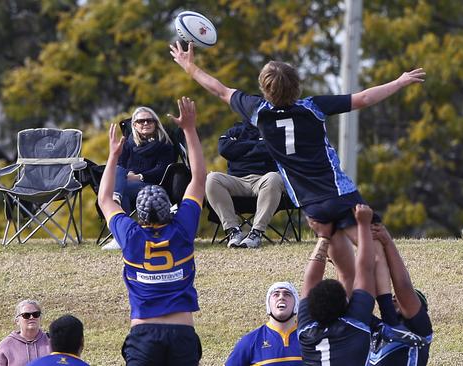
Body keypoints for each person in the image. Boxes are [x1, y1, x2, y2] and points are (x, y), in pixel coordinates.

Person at [170, 41, 424, 293]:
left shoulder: (258, 111)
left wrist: (189, 67)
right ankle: (392, 313)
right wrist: (399, 82)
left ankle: (350, 316)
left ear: (264, 90)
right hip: (339, 193)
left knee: (345, 269)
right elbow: (365, 98)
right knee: (376, 253)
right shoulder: (313, 107)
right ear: (297, 86)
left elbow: (219, 90)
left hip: (310, 205)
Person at [97, 96, 206, 365]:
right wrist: (190, 130)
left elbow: (105, 200)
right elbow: (199, 177)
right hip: (182, 331)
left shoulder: (131, 236)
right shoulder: (182, 229)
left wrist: (113, 157)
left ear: (140, 215)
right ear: (170, 209)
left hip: (143, 332)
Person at [296, 204, 376, 365]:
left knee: (347, 275)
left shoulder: (308, 331)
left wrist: (325, 236)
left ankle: (332, 227)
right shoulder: (305, 328)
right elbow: (310, 281)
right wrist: (323, 236)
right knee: (347, 275)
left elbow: (366, 270)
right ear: (347, 302)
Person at [102, 106, 177, 250]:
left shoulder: (165, 144)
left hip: (153, 187)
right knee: (118, 174)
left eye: (149, 120)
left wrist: (139, 176)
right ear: (134, 125)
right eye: (141, 121)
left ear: (156, 123)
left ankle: (119, 231)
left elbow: (162, 169)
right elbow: (120, 166)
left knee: (118, 189)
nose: (145, 124)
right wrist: (126, 177)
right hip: (128, 184)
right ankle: (119, 235)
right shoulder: (128, 143)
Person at [207, 121, 284, 248]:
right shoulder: (234, 130)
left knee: (273, 177)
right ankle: (234, 231)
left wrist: (239, 148)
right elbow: (224, 148)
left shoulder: (272, 128)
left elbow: (272, 150)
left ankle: (256, 233)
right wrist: (258, 146)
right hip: (236, 181)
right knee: (212, 178)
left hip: (263, 180)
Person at [368, 224, 433, 366]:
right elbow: (349, 301)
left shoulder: (420, 331)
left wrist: (387, 242)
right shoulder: (377, 330)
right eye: (394, 296)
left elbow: (403, 287)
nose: (395, 297)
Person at [225, 282, 302, 366]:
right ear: (268, 305)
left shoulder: (312, 339)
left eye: (287, 294)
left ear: (296, 304)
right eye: (276, 294)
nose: (281, 297)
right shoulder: (250, 341)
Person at [0, 299, 51, 366]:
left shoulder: (52, 342)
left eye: (36, 314)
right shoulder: (6, 346)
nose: (32, 317)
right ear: (17, 321)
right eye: (26, 315)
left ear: (40, 318)